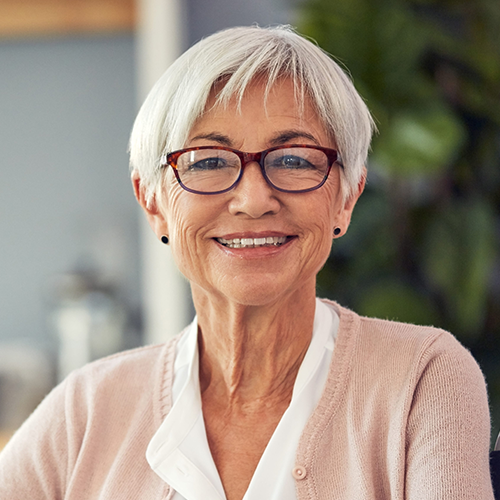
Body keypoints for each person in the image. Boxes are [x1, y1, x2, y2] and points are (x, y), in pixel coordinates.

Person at [0, 25, 494, 500]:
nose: (254, 199)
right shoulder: (85, 410)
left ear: (346, 197)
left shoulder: (422, 379)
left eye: (295, 159)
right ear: (152, 202)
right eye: (209, 161)